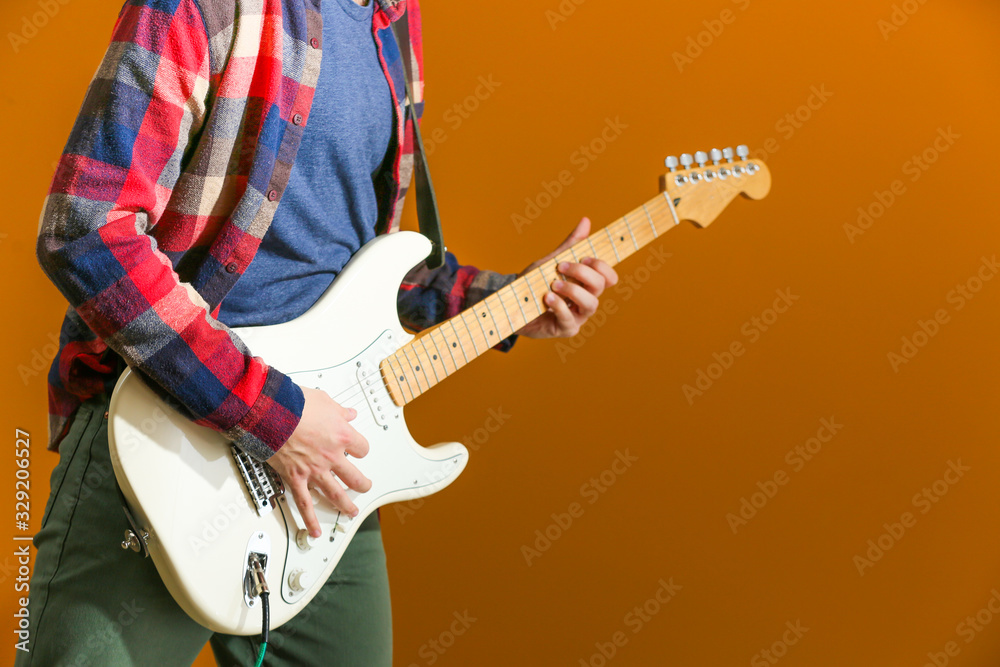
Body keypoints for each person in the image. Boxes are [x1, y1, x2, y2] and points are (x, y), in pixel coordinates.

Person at [18, 0, 618, 664]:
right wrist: (273, 418)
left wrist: (510, 301)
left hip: (321, 479)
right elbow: (85, 230)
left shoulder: (393, 18)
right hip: (160, 444)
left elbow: (355, 259)